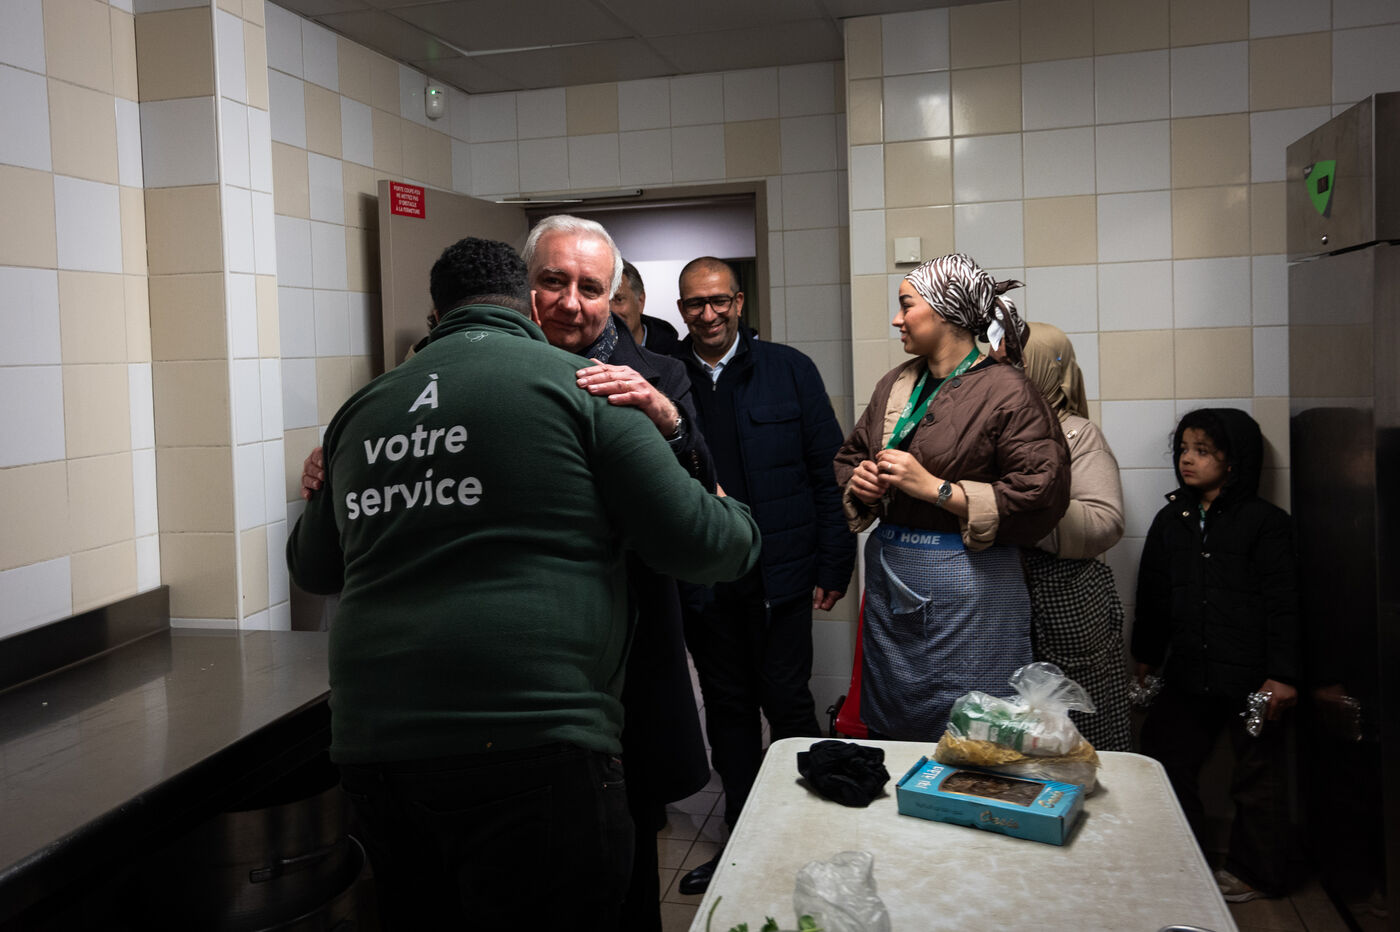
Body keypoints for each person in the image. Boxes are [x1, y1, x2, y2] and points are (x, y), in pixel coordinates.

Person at [285, 236, 759, 930]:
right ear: (528, 304)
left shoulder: (362, 410)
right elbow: (719, 546)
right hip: (535, 742)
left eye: (591, 288)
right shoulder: (587, 391)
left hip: (376, 750)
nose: (571, 303)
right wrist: (721, 500)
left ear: (435, 313)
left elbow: (313, 567)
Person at [671, 256, 857, 895]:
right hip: (705, 583)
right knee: (727, 714)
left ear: (740, 302)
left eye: (719, 301)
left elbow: (827, 472)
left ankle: (807, 840)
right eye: (695, 304)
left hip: (782, 580)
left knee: (788, 704)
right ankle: (742, 844)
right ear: (681, 309)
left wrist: (835, 561)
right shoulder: (668, 379)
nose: (708, 314)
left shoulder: (789, 369)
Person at [832, 253, 1070, 744]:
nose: (896, 319)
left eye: (906, 305)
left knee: (972, 728)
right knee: (894, 721)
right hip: (891, 582)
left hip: (971, 589)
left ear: (945, 311)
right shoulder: (897, 383)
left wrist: (936, 490)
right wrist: (862, 482)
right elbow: (851, 454)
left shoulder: (1008, 390)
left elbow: (1041, 490)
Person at [1132, 407, 1300, 903]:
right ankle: (1185, 859)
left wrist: (1284, 674)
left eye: (1203, 450)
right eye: (1183, 449)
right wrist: (1146, 655)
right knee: (1164, 757)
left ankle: (1256, 873)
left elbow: (1287, 603)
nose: (1187, 459)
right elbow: (1154, 595)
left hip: (1252, 677)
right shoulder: (1172, 519)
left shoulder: (1266, 523)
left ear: (1233, 460)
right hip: (1188, 671)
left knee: (1259, 777)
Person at [1017, 322, 1133, 751]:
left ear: (1045, 370)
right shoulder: (995, 430)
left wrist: (1016, 509)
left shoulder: (1078, 435)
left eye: (1017, 364)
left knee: (1081, 735)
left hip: (1068, 606)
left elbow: (1105, 521)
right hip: (1006, 603)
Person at [612, 259, 681, 355]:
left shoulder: (678, 357)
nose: (610, 311)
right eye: (603, 302)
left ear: (640, 301)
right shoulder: (590, 354)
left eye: (619, 300)